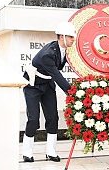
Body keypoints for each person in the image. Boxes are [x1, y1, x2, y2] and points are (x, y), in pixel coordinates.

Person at [22, 21, 77, 162]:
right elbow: (57, 75)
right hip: (33, 86)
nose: (73, 39)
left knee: (53, 118)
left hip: (47, 85)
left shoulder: (64, 50)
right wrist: (73, 93)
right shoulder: (48, 54)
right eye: (71, 36)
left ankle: (51, 151)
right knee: (33, 119)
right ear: (62, 37)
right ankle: (27, 152)